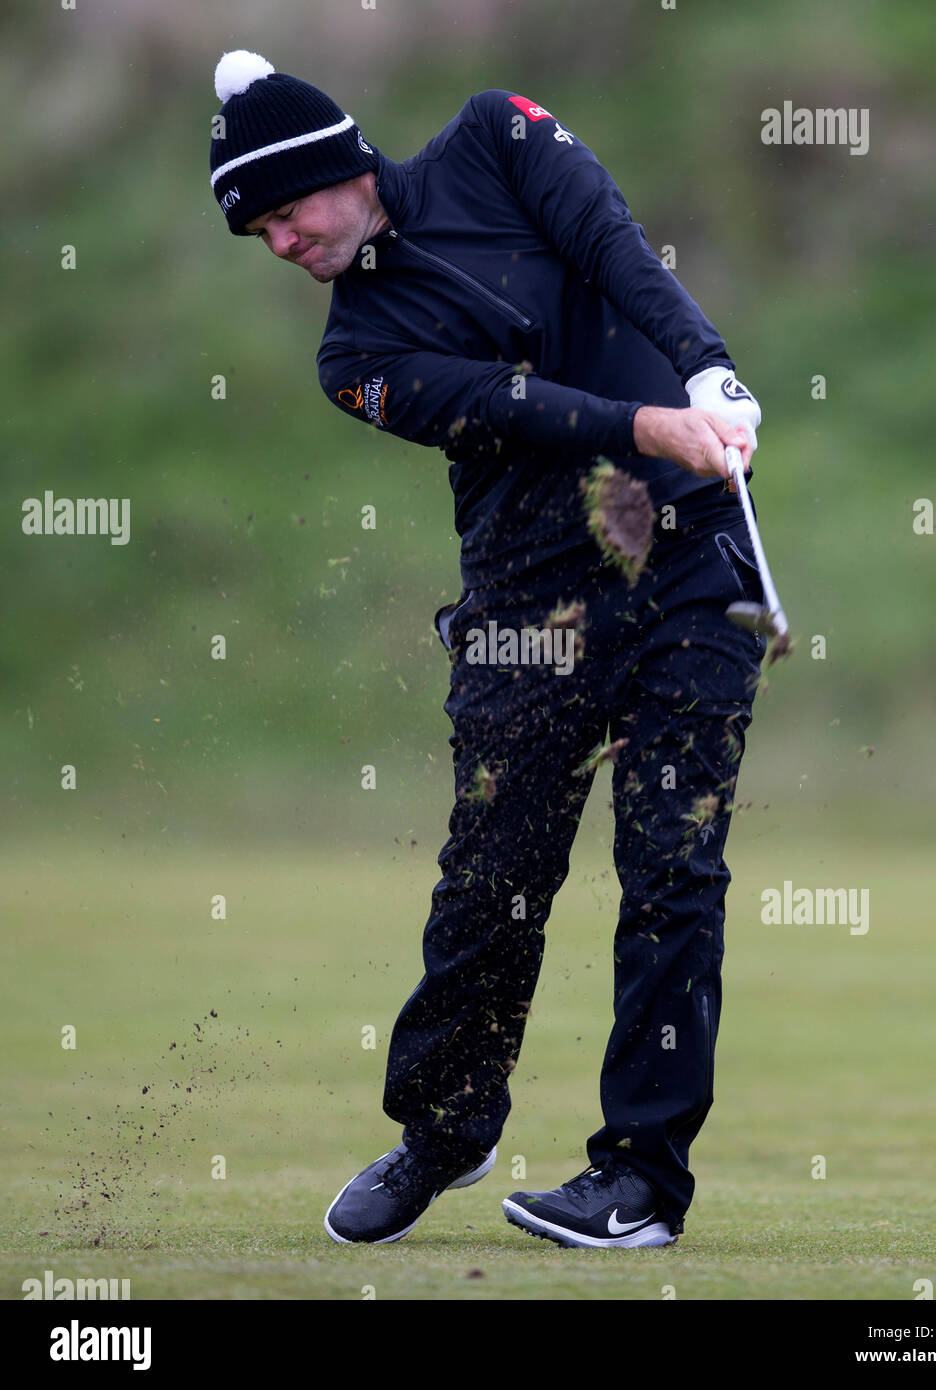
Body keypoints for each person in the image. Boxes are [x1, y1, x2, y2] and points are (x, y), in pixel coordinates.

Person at [210, 50, 767, 1249]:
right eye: (256, 233)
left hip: (687, 562)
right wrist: (652, 422)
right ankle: (443, 1129)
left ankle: (638, 1182)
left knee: (673, 869)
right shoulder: (352, 361)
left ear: (337, 168)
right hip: (529, 603)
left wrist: (706, 365)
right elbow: (508, 405)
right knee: (491, 882)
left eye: (284, 211)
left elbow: (615, 247)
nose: (280, 244)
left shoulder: (495, 138)